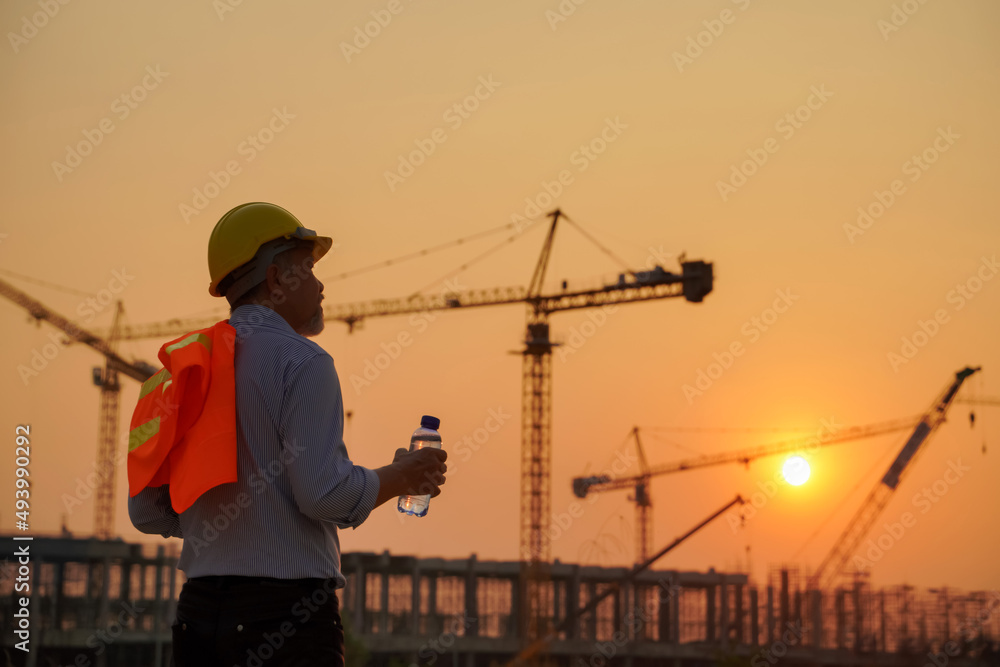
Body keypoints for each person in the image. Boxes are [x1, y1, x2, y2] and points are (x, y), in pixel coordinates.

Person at [127, 201, 448, 666]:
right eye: (309, 269)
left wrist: (222, 524)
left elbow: (147, 512)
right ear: (277, 279)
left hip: (197, 619)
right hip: (284, 620)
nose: (321, 286)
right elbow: (325, 496)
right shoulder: (303, 362)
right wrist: (402, 476)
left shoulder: (174, 373)